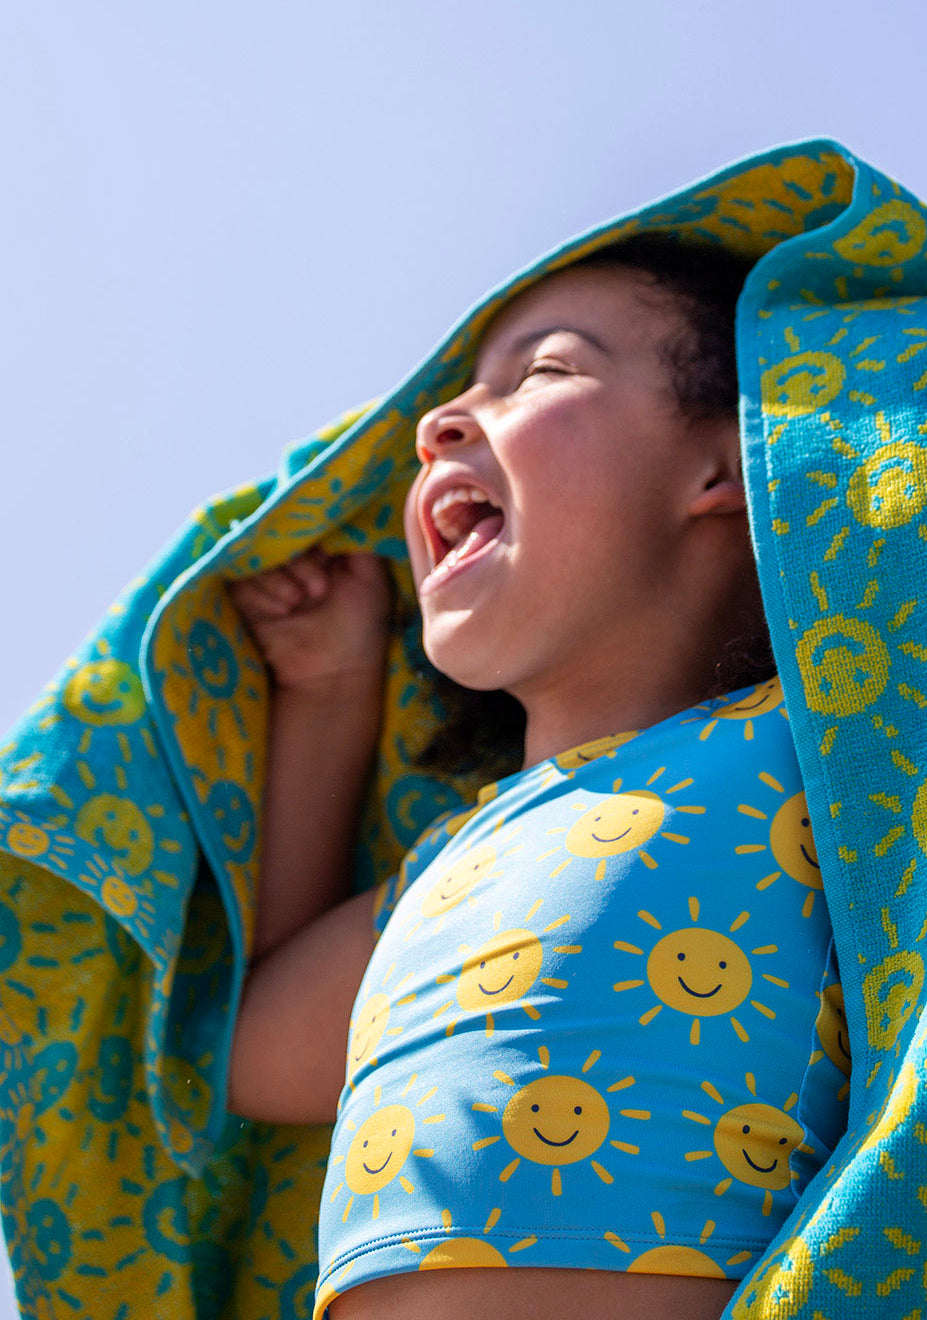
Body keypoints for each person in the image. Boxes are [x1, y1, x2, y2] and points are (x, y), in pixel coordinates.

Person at [223, 238, 849, 1320]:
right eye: (456, 400)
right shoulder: (449, 864)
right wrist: (330, 695)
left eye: (542, 372)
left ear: (728, 464)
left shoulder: (824, 746)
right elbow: (254, 1050)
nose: (438, 427)